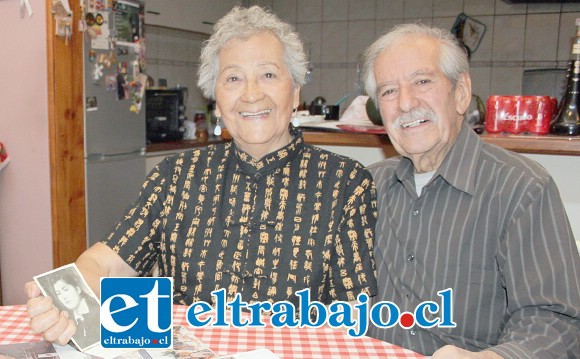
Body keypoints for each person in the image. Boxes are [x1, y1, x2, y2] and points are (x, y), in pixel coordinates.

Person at [25, 5, 378, 346]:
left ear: (295, 91)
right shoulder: (176, 176)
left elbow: (354, 312)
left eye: (268, 74)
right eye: (233, 78)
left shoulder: (346, 183)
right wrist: (65, 298)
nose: (252, 94)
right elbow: (104, 263)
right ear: (216, 100)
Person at [362, 23, 580, 358]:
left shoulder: (521, 188)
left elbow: (556, 323)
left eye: (422, 81)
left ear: (461, 92)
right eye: (388, 91)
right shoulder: (366, 186)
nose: (405, 103)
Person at [48, 271, 100, 349]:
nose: (64, 297)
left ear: (78, 289)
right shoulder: (67, 318)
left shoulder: (97, 309)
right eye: (58, 293)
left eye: (65, 289)